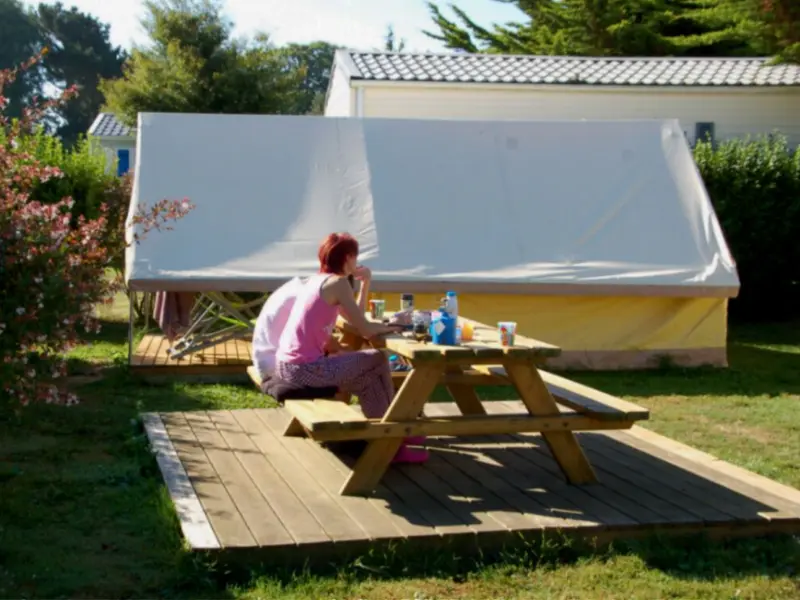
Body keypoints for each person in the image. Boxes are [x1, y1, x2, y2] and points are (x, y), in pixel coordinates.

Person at [275, 232, 429, 464]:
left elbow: (355, 318)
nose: (357, 262)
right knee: (378, 358)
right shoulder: (338, 283)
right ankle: (395, 435)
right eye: (356, 257)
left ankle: (391, 443)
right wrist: (393, 328)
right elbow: (365, 329)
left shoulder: (317, 281)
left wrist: (365, 283)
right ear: (348, 257)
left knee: (368, 381)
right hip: (303, 370)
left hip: (289, 366)